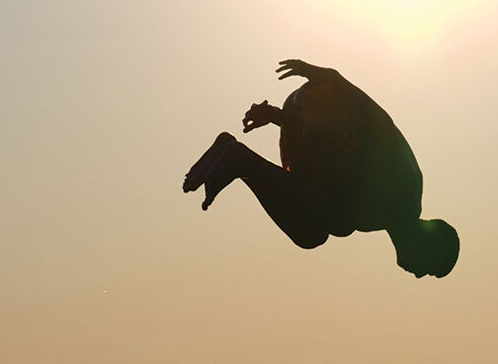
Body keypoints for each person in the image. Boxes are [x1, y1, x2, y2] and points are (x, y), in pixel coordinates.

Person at [183, 59, 459, 278]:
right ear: (429, 244)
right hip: (322, 98)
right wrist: (328, 76)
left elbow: (338, 160)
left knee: (310, 234)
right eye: (429, 269)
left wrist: (278, 117)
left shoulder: (380, 218)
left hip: (308, 121)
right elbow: (378, 125)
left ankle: (237, 158)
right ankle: (240, 159)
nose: (420, 275)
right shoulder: (405, 195)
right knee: (341, 221)